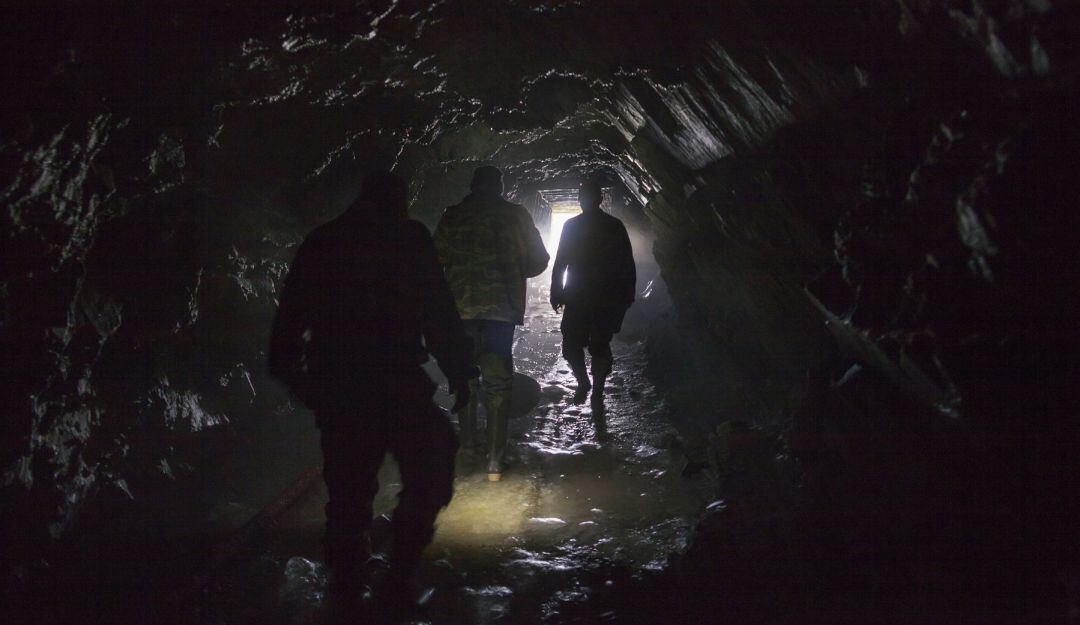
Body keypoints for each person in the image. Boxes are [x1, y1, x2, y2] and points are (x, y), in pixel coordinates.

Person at [267, 171, 477, 607]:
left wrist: (299, 380)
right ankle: (397, 572)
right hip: (396, 379)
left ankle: (347, 582)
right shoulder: (408, 238)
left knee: (348, 487)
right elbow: (437, 307)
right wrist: (459, 367)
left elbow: (289, 319)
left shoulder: (323, 241)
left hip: (341, 383)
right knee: (432, 466)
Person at [433, 166, 549, 481]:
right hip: (500, 314)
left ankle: (468, 446)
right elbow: (539, 260)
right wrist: (510, 267)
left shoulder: (453, 215)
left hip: (460, 314)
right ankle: (495, 463)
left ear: (472, 186)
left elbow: (434, 259)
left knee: (465, 377)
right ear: (499, 187)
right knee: (498, 384)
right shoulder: (516, 215)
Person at [550, 180, 636, 409]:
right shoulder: (614, 226)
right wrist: (627, 294)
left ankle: (587, 384)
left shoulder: (573, 226)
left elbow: (561, 262)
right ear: (600, 199)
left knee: (573, 344)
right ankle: (593, 387)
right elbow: (627, 263)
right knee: (597, 343)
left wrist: (556, 292)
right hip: (602, 296)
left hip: (582, 295)